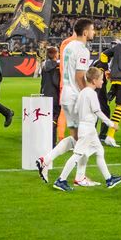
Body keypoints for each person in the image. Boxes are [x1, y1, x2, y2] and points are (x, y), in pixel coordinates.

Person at [36, 19, 97, 187]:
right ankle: (75, 177)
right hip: (76, 96)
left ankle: (46, 160)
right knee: (86, 137)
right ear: (85, 32)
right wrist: (88, 94)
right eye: (92, 30)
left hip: (66, 93)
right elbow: (79, 77)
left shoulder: (68, 46)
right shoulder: (82, 50)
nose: (94, 33)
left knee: (78, 138)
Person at [51, 67, 121, 192]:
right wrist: (111, 124)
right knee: (77, 154)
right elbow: (97, 111)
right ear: (94, 80)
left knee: (99, 151)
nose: (103, 82)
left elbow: (76, 110)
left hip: (86, 127)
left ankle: (109, 179)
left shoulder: (83, 93)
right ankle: (61, 180)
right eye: (101, 79)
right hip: (87, 129)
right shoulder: (91, 93)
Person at [40, 45, 60, 145]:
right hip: (54, 95)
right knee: (54, 119)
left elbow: (42, 82)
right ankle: (52, 143)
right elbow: (56, 82)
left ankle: (45, 140)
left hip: (44, 94)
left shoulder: (44, 66)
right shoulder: (56, 67)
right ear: (55, 54)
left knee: (46, 118)